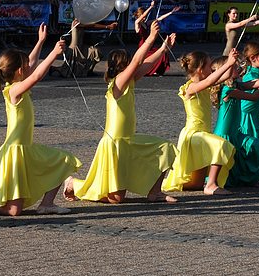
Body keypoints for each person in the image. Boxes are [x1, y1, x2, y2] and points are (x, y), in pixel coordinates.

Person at [0, 29, 80, 216]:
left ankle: (47, 204)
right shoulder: (13, 91)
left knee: (63, 159)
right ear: (20, 71)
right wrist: (53, 54)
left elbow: (31, 64)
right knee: (13, 210)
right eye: (25, 66)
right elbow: (35, 76)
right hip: (14, 153)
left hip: (26, 149)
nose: (30, 67)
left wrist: (41, 41)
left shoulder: (18, 84)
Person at [63, 22, 178, 203]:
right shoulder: (117, 83)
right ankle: (73, 184)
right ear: (121, 66)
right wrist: (150, 38)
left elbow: (146, 64)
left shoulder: (129, 80)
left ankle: (155, 192)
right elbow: (137, 62)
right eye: (127, 63)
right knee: (115, 199)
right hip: (114, 144)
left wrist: (163, 49)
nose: (131, 66)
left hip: (128, 141)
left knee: (165, 147)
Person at [162, 51, 237, 194]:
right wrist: (228, 63)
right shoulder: (190, 88)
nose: (212, 69)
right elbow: (209, 81)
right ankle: (211, 185)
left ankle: (202, 184)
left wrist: (231, 62)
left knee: (195, 184)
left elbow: (226, 76)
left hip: (203, 133)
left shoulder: (203, 84)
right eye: (210, 66)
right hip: (194, 134)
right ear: (200, 69)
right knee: (221, 145)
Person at [210, 55, 259, 187]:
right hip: (225, 135)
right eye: (234, 66)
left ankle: (245, 178)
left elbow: (258, 83)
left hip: (235, 133)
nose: (238, 68)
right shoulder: (227, 90)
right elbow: (255, 96)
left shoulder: (236, 85)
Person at [132, 2, 179, 76]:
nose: (145, 18)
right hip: (143, 45)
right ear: (139, 16)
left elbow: (159, 18)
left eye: (145, 17)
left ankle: (157, 70)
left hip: (150, 44)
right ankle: (147, 70)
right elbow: (143, 15)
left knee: (162, 53)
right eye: (143, 16)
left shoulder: (147, 23)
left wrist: (171, 12)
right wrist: (151, 7)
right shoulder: (137, 23)